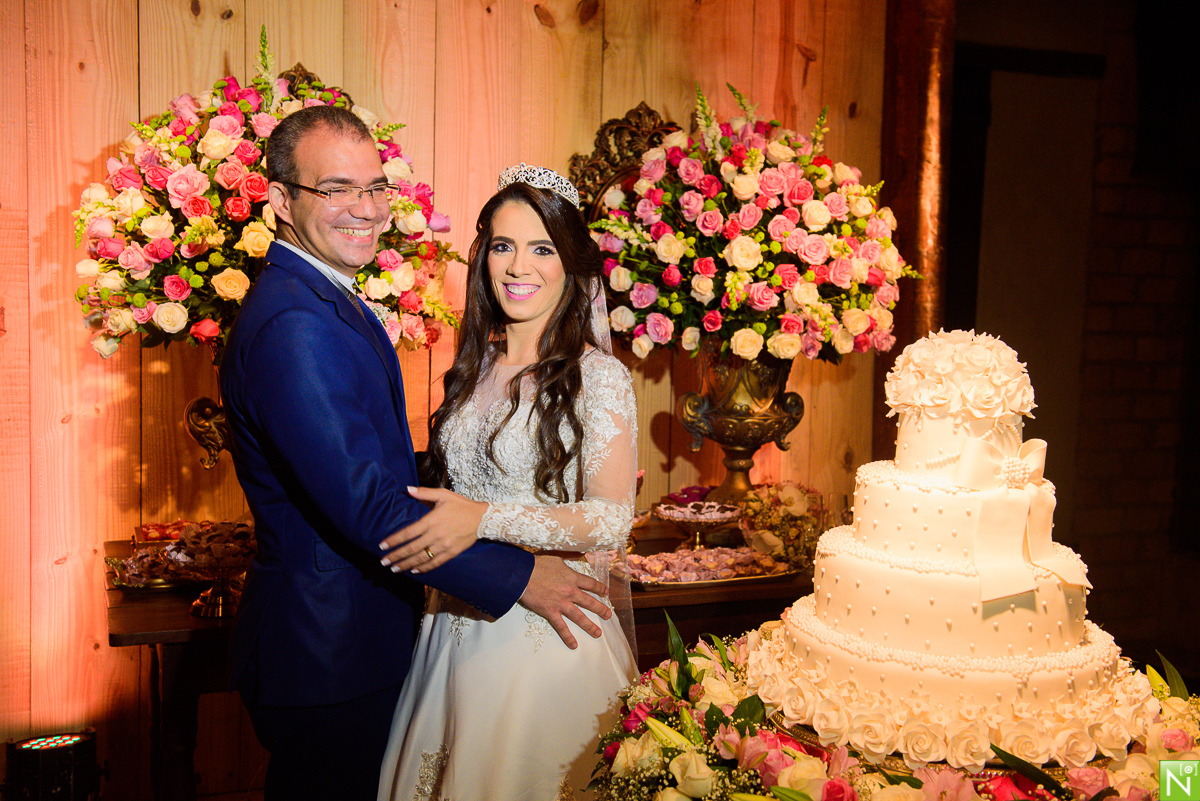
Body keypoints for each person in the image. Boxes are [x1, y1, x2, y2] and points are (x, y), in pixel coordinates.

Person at [219, 109, 612, 801]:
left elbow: (384, 466)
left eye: (375, 188)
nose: (365, 210)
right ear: (280, 200)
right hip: (328, 650)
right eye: (337, 189)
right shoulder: (293, 321)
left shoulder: (320, 296)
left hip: (377, 637)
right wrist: (520, 575)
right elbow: (368, 504)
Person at [376, 165, 639, 800]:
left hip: (544, 639)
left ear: (571, 264)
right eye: (503, 246)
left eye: (541, 248)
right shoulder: (476, 366)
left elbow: (610, 519)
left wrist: (482, 518)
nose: (519, 267)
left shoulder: (597, 377)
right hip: (451, 627)